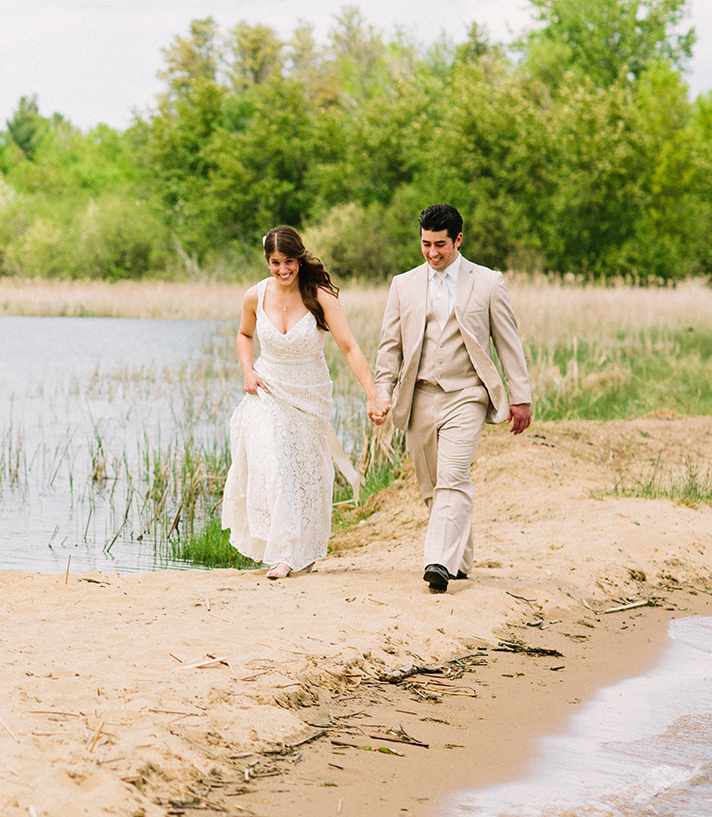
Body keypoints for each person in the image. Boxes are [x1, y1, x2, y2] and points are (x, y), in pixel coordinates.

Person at [369, 204, 531, 593]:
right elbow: (389, 347)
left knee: (453, 476)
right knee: (431, 487)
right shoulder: (402, 284)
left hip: (468, 394)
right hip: (420, 395)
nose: (432, 253)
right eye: (425, 244)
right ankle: (460, 558)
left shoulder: (489, 282)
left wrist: (520, 396)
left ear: (458, 240)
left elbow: (507, 342)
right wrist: (382, 392)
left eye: (440, 244)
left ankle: (438, 562)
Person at [221, 226, 391, 579]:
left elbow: (349, 347)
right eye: (275, 263)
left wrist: (373, 394)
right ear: (267, 262)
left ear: (299, 259)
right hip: (268, 388)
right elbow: (244, 334)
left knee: (309, 473)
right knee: (275, 461)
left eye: (289, 262)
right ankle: (282, 554)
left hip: (310, 394)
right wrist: (247, 370)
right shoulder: (255, 295)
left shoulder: (320, 295)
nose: (283, 270)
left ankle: (305, 550)